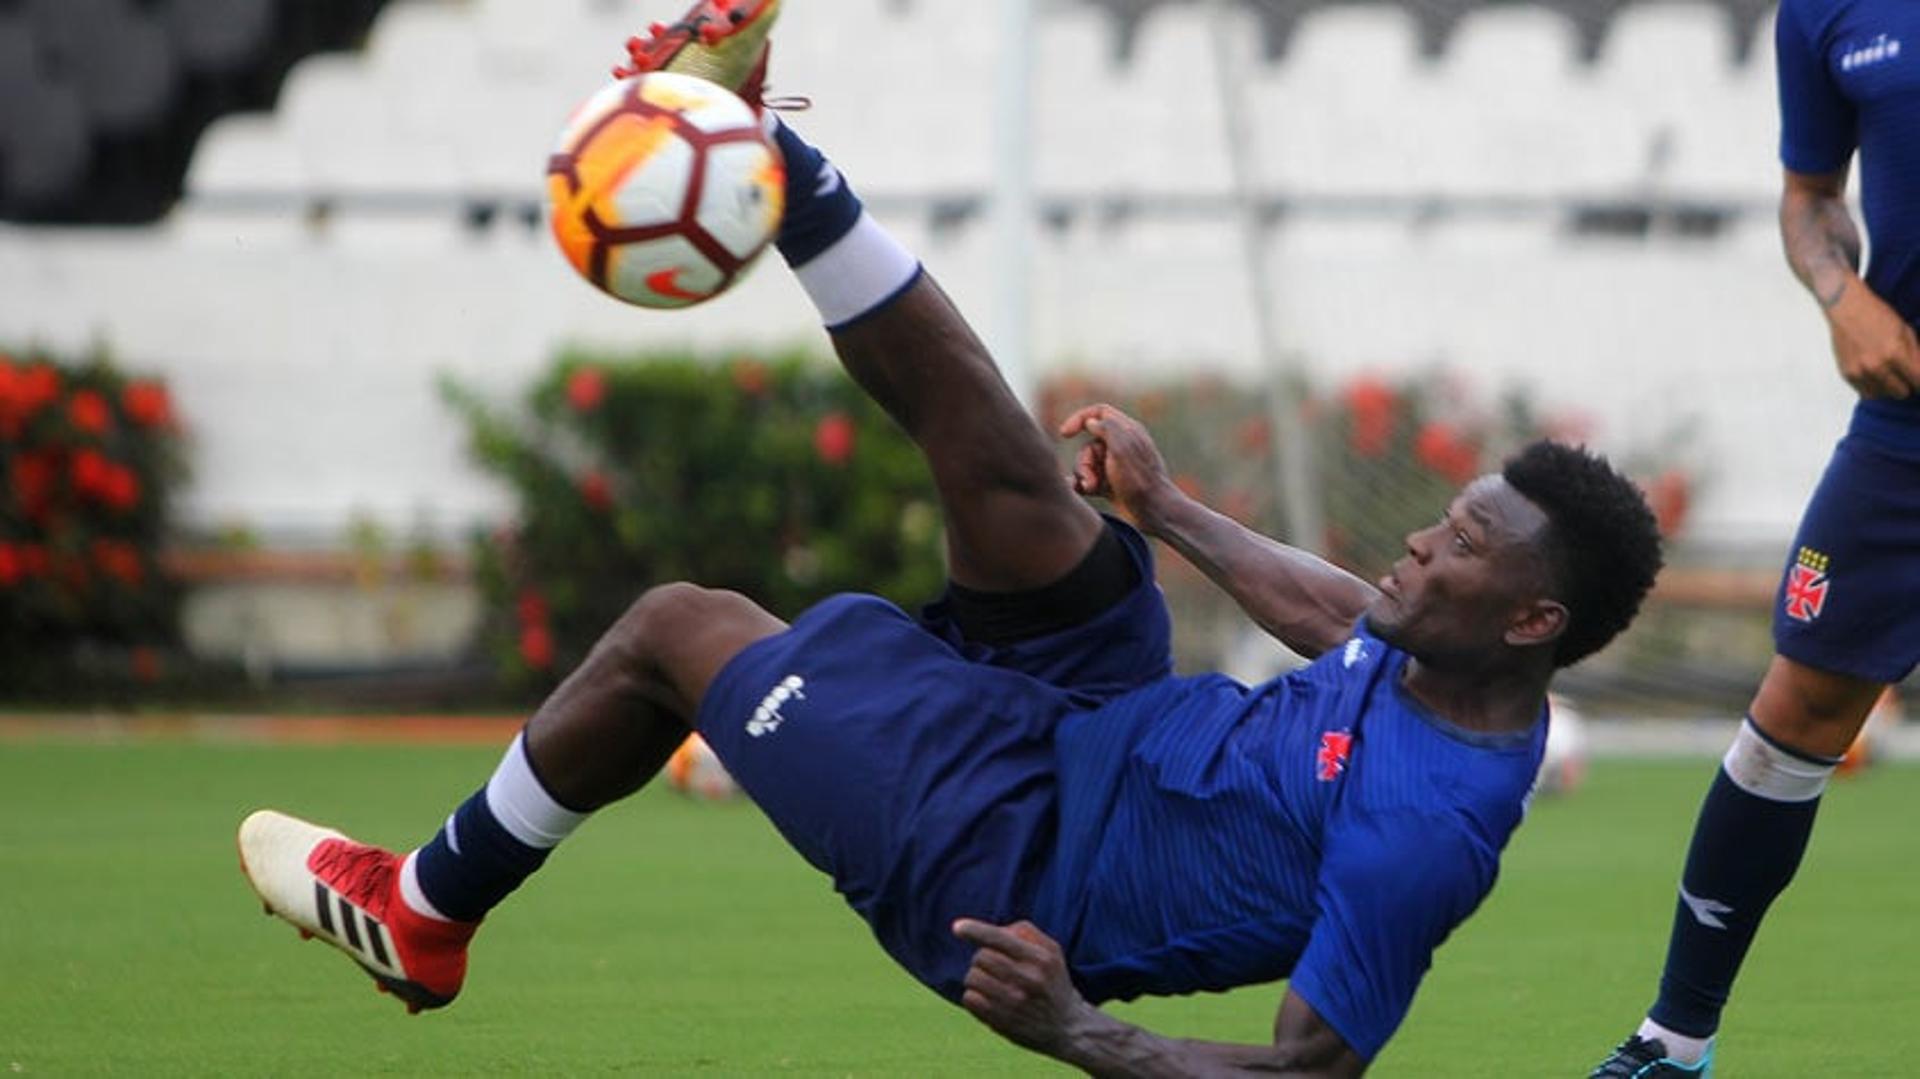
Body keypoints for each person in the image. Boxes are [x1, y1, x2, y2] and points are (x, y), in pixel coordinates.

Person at [238, 2, 1664, 1072]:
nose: (1422, 539)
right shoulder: (1447, 656)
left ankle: (425, 906)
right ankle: (775, 165)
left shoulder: (1429, 827)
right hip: (1115, 720)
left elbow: (1310, 1068)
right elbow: (1345, 609)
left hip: (1018, 863)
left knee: (678, 625)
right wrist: (1164, 512)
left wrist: (1076, 1027)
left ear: (1533, 619)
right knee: (1015, 481)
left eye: (1463, 542)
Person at [1589, 2, 1920, 1076]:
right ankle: (1676, 1040)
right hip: (1906, 424)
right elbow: (1811, 196)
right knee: (1798, 710)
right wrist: (1841, 294)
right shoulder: (1826, 11)